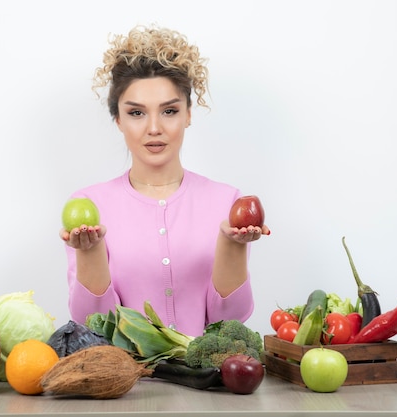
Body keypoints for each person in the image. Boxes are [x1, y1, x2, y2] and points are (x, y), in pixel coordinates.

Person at [61, 25, 270, 337]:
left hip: (205, 380)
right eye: (136, 113)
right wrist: (90, 252)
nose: (154, 128)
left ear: (187, 114)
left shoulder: (227, 201)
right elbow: (94, 324)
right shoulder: (89, 206)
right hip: (128, 382)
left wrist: (232, 246)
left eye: (169, 111)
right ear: (118, 119)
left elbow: (231, 320)